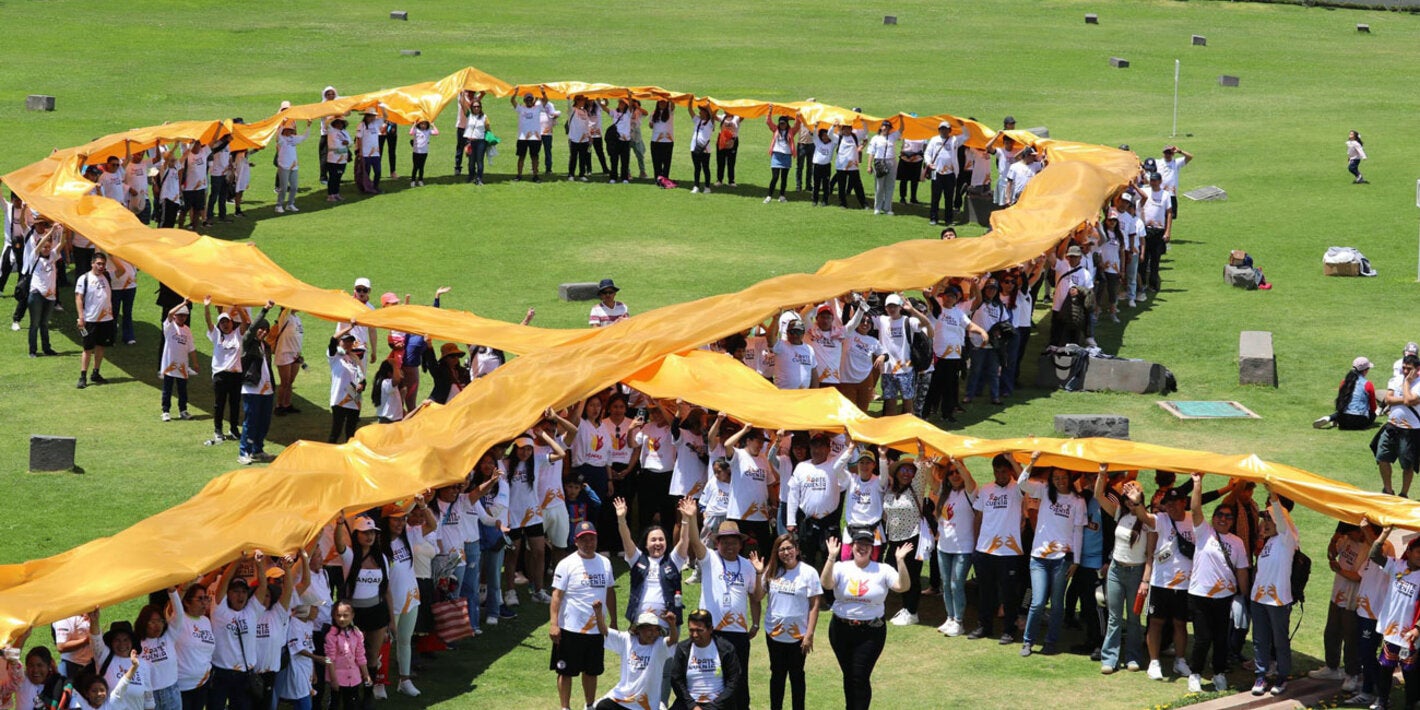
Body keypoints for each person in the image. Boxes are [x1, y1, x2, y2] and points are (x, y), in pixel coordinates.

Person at [821, 531, 913, 710]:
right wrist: (831, 557)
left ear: (872, 549)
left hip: (871, 631)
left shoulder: (883, 570)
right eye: (858, 543)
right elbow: (826, 584)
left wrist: (900, 561)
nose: (862, 547)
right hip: (840, 629)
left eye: (867, 544)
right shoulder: (841, 567)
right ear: (852, 546)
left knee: (859, 675)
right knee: (849, 675)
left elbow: (903, 586)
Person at [1185, 473, 1251, 694]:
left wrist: (1245, 595)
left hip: (1224, 598)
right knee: (1203, 638)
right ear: (1213, 518)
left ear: (1233, 522)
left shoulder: (1238, 543)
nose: (1223, 519)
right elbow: (1195, 509)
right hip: (1200, 595)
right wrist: (1197, 483)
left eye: (1228, 517)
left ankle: (1219, 673)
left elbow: (1242, 571)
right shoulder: (1204, 532)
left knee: (1221, 639)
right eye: (1219, 515)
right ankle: (1195, 674)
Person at [685, 519, 760, 710]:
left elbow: (755, 597)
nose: (729, 546)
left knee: (740, 677)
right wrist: (691, 518)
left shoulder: (747, 565)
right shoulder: (710, 559)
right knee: (715, 678)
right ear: (717, 543)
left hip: (738, 632)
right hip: (714, 632)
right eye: (725, 542)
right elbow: (695, 541)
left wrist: (756, 624)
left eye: (734, 542)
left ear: (740, 544)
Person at [1017, 456, 1086, 656]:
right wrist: (1031, 462)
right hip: (1039, 557)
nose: (1059, 481)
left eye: (1063, 477)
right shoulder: (1044, 490)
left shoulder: (1077, 501)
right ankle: (1028, 642)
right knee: (1037, 601)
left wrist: (1076, 560)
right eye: (1055, 477)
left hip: (1062, 560)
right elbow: (1022, 483)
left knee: (1057, 604)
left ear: (1070, 477)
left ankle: (1051, 642)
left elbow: (1078, 532)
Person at [549, 521, 616, 710]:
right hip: (570, 628)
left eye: (592, 538)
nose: (588, 542)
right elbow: (556, 596)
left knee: (591, 671)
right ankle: (565, 707)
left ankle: (589, 705)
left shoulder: (605, 563)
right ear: (576, 541)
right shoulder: (566, 564)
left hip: (596, 628)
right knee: (565, 671)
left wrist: (614, 620)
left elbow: (610, 592)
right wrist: (554, 624)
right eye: (583, 539)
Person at [1093, 470, 1152, 674]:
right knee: (1114, 616)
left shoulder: (1148, 520)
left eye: (1134, 497)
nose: (1129, 502)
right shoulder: (1120, 513)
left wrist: (1145, 580)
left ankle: (1133, 657)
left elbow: (1150, 555)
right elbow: (1098, 496)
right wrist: (1102, 474)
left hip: (1136, 573)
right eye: (1127, 498)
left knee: (1134, 618)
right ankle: (1110, 658)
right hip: (1116, 570)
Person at [758, 533, 821, 710]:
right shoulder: (771, 570)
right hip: (774, 633)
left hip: (798, 635)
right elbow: (757, 595)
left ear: (797, 550)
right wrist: (758, 572)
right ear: (776, 552)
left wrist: (809, 634)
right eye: (781, 549)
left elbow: (814, 605)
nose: (786, 552)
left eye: (789, 548)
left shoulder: (809, 572)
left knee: (797, 676)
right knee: (777, 675)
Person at [968, 454, 1025, 643]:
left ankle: (1009, 630)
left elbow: (1025, 476)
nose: (1000, 475)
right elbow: (978, 517)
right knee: (985, 592)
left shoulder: (1018, 488)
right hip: (985, 550)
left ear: (1010, 471)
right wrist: (976, 544)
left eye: (1004, 471)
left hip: (1009, 551)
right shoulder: (986, 490)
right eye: (997, 471)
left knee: (1009, 594)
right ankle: (984, 626)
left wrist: (1013, 459)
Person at [1248, 489, 1298, 696]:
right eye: (1264, 519)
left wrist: (1274, 497)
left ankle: (1282, 676)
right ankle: (1261, 675)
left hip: (1278, 601)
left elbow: (1281, 516)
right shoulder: (1268, 542)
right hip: (1258, 598)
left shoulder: (1288, 539)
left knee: (1279, 640)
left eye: (1269, 519)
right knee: (1260, 639)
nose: (1265, 523)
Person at [1308, 522, 1366, 692]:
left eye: (1352, 533)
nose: (1351, 537)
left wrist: (1338, 570)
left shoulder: (1369, 548)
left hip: (1353, 600)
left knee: (1351, 639)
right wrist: (1334, 539)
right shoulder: (1346, 539)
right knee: (1332, 631)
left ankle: (1352, 674)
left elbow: (1358, 577)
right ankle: (1331, 667)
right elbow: (1331, 553)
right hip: (1338, 594)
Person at [1368, 524, 1420, 710]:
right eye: (1418, 552)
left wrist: (1417, 628)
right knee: (1385, 666)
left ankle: (1411, 702)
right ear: (1410, 550)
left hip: (1409, 634)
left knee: (1410, 671)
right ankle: (1382, 700)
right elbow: (1374, 555)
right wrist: (1384, 534)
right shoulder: (1396, 565)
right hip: (1391, 631)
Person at [594, 604, 679, 710]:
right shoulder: (627, 640)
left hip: (647, 703)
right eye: (649, 630)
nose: (653, 634)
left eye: (656, 630)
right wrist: (598, 612)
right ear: (638, 630)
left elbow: (673, 640)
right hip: (623, 697)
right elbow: (605, 631)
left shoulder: (659, 645)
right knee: (602, 706)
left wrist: (672, 625)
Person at [930, 457, 977, 636]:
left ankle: (959, 621)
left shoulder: (970, 491)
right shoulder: (944, 492)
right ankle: (950, 618)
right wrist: (927, 465)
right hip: (944, 546)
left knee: (957, 584)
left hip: (963, 547)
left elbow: (968, 478)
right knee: (946, 585)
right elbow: (931, 481)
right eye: (950, 473)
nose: (955, 476)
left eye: (957, 472)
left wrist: (957, 463)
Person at [669, 609, 742, 710]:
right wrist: (692, 706)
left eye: (699, 630)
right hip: (689, 704)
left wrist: (714, 706)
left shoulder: (726, 649)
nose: (695, 635)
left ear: (711, 629)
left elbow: (734, 680)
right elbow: (676, 679)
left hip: (719, 705)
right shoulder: (683, 649)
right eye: (691, 630)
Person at [874, 294, 931, 416]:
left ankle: (908, 430)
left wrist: (912, 310)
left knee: (907, 404)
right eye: (889, 306)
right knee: (890, 404)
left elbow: (926, 323)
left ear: (900, 307)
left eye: (894, 306)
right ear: (885, 308)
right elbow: (862, 316)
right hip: (887, 370)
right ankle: (891, 431)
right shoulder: (882, 320)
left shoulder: (908, 321)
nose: (892, 309)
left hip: (905, 369)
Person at [202, 297, 246, 445]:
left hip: (235, 374)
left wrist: (237, 307)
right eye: (222, 322)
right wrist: (207, 307)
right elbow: (208, 321)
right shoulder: (216, 335)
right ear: (219, 324)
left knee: (235, 403)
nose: (225, 324)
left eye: (227, 321)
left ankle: (234, 429)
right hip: (220, 375)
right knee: (219, 404)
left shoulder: (237, 335)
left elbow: (246, 322)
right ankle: (218, 430)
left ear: (232, 323)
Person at [238, 303, 276, 465]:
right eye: (261, 329)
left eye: (266, 330)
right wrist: (265, 310)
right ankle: (244, 452)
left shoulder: (265, 346)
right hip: (252, 389)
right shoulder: (248, 343)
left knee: (263, 422)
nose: (263, 332)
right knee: (251, 422)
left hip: (267, 391)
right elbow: (251, 328)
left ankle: (257, 450)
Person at [1376, 355, 1420, 497]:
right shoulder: (1396, 379)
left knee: (1407, 464)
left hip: (1410, 429)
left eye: (1409, 369)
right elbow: (1388, 399)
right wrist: (1405, 398)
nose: (1406, 371)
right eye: (1404, 368)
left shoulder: (1418, 384)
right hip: (1392, 425)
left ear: (1417, 370)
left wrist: (1407, 383)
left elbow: (1410, 400)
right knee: (1382, 457)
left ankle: (1403, 494)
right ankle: (1388, 490)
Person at [73, 252, 115, 389]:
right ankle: (83, 375)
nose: (101, 266)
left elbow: (121, 271)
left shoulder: (107, 276)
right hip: (90, 319)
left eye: (103, 263)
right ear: (92, 263)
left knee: (101, 346)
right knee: (87, 348)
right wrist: (81, 317)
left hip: (106, 319)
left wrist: (112, 255)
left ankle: (96, 373)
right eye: (98, 263)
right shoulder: (84, 278)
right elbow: (79, 298)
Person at [322, 600, 370, 710]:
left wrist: (366, 675)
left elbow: (360, 656)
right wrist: (333, 680)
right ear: (334, 616)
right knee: (335, 704)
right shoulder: (331, 636)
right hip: (338, 678)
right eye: (338, 616)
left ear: (352, 615)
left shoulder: (357, 634)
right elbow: (329, 659)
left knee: (352, 705)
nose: (342, 619)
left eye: (345, 615)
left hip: (354, 678)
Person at [24, 224, 60, 357]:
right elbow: (41, 244)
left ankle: (47, 348)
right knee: (34, 323)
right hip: (37, 294)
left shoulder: (53, 256)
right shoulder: (34, 256)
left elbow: (62, 243)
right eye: (44, 247)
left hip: (50, 296)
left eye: (49, 247)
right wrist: (51, 231)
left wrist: (63, 230)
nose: (46, 249)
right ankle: (32, 351)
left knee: (44, 324)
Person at [326, 328, 366, 444]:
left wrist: (361, 385)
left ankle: (349, 456)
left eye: (350, 341)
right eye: (345, 341)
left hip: (355, 397)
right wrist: (350, 327)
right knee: (336, 430)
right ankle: (328, 455)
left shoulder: (355, 358)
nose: (348, 344)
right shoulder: (334, 356)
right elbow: (333, 340)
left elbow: (362, 378)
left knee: (351, 432)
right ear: (340, 342)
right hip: (339, 397)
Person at [158, 303, 198, 422]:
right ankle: (165, 411)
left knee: (182, 390)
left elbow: (191, 348)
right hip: (169, 365)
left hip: (182, 365)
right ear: (175, 316)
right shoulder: (169, 327)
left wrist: (195, 363)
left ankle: (183, 411)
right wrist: (184, 303)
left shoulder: (187, 330)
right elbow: (170, 313)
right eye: (180, 315)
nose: (182, 318)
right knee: (167, 389)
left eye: (184, 316)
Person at [1315, 356, 1378, 430]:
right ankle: (1333, 419)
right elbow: (1373, 407)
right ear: (1365, 370)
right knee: (1373, 414)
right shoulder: (1368, 384)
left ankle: (1331, 418)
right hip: (1360, 422)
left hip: (1343, 421)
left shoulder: (1344, 382)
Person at [1138, 172, 1171, 296]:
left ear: (1160, 181)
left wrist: (1168, 231)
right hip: (1146, 230)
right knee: (1144, 258)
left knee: (1155, 260)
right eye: (1152, 180)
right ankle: (1143, 284)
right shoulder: (1145, 191)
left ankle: (1153, 284)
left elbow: (1168, 213)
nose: (1153, 182)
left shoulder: (1166, 195)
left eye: (1156, 180)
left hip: (1159, 230)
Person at [924, 122, 961, 225]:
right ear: (939, 130)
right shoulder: (934, 140)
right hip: (936, 172)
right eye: (941, 129)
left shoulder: (954, 140)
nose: (943, 131)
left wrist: (962, 124)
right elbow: (927, 153)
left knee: (949, 198)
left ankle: (948, 219)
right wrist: (928, 163)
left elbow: (966, 135)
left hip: (950, 173)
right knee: (935, 197)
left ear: (950, 130)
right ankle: (933, 218)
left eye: (946, 129)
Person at [272, 306, 304, 416]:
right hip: (284, 353)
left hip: (295, 354)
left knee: (290, 382)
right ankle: (278, 406)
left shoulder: (297, 318)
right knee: (284, 382)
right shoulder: (285, 316)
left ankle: (287, 404)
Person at [763, 109, 800, 203]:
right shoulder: (775, 129)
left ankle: (782, 196)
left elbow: (797, 125)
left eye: (784, 123)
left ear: (787, 123)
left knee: (784, 177)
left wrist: (798, 116)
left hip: (786, 156)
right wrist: (770, 111)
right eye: (781, 123)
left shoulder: (791, 131)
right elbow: (768, 121)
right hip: (776, 155)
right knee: (775, 177)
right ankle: (769, 196)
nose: (782, 125)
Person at [511, 91, 546, 182]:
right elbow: (512, 101)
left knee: (534, 157)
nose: (529, 101)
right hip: (523, 137)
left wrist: (543, 92)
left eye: (530, 99)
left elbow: (545, 100)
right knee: (521, 156)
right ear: (524, 100)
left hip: (535, 137)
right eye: (527, 99)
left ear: (533, 100)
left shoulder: (537, 108)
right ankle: (519, 175)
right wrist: (515, 93)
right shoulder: (521, 108)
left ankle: (535, 175)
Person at [833, 123, 866, 209]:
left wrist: (863, 121)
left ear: (851, 129)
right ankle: (843, 204)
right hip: (841, 166)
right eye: (845, 129)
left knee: (858, 186)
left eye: (849, 129)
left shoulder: (855, 137)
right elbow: (829, 134)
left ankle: (864, 204)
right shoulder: (839, 138)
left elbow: (865, 132)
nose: (847, 131)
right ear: (842, 130)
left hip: (853, 166)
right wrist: (833, 126)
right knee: (841, 186)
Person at [354, 108, 387, 193]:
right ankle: (366, 188)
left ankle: (375, 186)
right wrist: (360, 151)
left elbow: (386, 117)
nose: (372, 118)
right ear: (366, 116)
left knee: (378, 171)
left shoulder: (376, 123)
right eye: (370, 116)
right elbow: (359, 139)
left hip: (375, 153)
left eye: (373, 116)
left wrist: (382, 107)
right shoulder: (361, 125)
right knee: (366, 172)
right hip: (365, 153)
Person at [1158, 145, 1194, 219]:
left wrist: (1180, 151)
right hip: (1160, 194)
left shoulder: (1176, 162)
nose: (1167, 155)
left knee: (1170, 217)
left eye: (1169, 153)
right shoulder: (1158, 162)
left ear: (1173, 154)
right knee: (1160, 216)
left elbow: (1190, 157)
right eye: (1166, 153)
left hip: (1172, 194)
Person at [688, 104, 715, 194]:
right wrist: (690, 102)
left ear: (706, 113)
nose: (699, 112)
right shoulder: (698, 121)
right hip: (694, 148)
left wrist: (708, 106)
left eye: (701, 111)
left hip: (705, 149)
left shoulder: (710, 123)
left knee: (705, 168)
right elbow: (690, 111)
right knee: (697, 168)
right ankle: (696, 186)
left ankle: (707, 187)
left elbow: (712, 115)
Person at [324, 117, 352, 202]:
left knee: (339, 176)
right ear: (334, 124)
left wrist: (347, 143)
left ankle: (336, 193)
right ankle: (330, 195)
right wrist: (333, 116)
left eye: (341, 123)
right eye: (337, 122)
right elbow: (326, 124)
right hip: (333, 158)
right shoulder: (331, 131)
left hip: (343, 157)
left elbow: (351, 142)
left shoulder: (345, 132)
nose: (339, 124)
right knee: (333, 176)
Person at [649, 100, 675, 181]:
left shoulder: (670, 112)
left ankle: (665, 178)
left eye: (664, 102)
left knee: (667, 162)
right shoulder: (653, 114)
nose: (662, 104)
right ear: (657, 103)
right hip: (655, 141)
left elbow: (673, 104)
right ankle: (658, 178)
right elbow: (651, 126)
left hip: (668, 141)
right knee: (656, 161)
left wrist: (669, 97)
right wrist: (651, 122)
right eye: (660, 102)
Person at [407, 120, 438, 187]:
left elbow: (436, 133)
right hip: (416, 152)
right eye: (421, 124)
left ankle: (420, 180)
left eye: (425, 124)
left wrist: (433, 125)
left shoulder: (428, 131)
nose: (423, 126)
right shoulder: (416, 130)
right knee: (415, 167)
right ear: (419, 124)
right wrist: (414, 125)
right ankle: (413, 181)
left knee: (421, 167)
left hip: (424, 152)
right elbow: (410, 133)